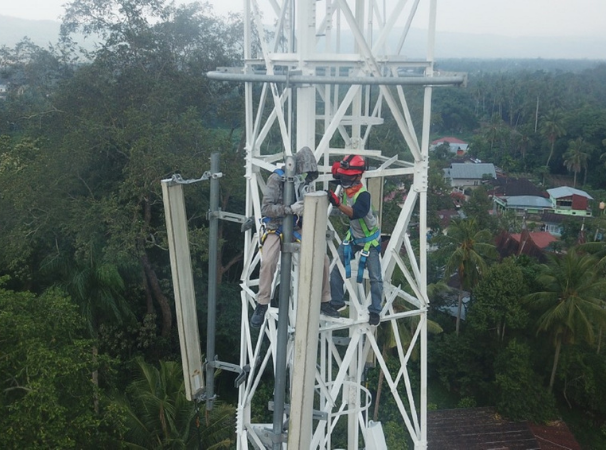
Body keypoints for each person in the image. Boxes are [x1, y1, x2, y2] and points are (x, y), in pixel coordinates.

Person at [251, 146, 340, 328]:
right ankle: (262, 303)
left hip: (297, 226)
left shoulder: (304, 183)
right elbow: (266, 209)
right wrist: (289, 209)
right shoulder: (276, 179)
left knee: (322, 259)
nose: (305, 174)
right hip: (276, 226)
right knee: (268, 260)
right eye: (303, 170)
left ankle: (324, 300)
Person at [326, 155, 383, 326]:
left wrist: (337, 204)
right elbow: (337, 176)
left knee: (375, 277)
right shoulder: (346, 183)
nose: (344, 180)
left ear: (358, 176)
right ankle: (337, 301)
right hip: (353, 236)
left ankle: (375, 310)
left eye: (348, 176)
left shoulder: (363, 195)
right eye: (343, 176)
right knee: (337, 268)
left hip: (369, 240)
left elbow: (356, 213)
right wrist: (336, 171)